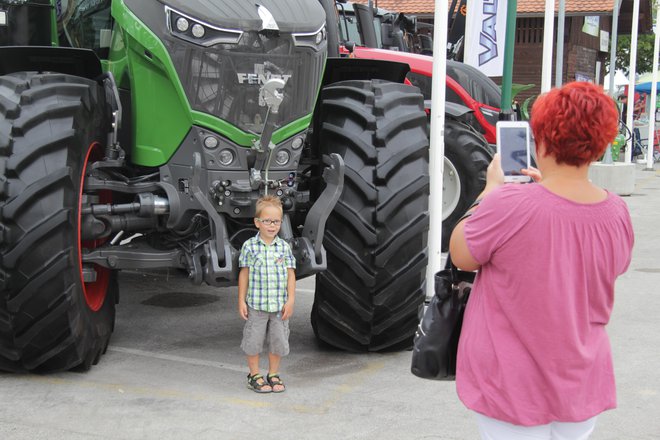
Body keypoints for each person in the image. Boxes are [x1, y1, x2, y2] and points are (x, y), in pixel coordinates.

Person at [449, 82, 634, 439]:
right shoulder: (617, 212)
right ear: (600, 143)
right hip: (581, 381)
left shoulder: (507, 206)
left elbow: (461, 255)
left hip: (512, 385)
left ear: (542, 140)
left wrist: (488, 194)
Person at [238, 195, 296, 393]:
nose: (272, 226)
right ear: (257, 222)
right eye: (267, 221)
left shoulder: (284, 247)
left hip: (279, 307)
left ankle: (273, 374)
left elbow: (290, 275)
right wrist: (241, 301)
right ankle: (254, 375)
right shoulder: (249, 247)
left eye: (276, 221)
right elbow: (244, 275)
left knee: (278, 341)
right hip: (257, 306)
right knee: (253, 341)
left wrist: (291, 300)